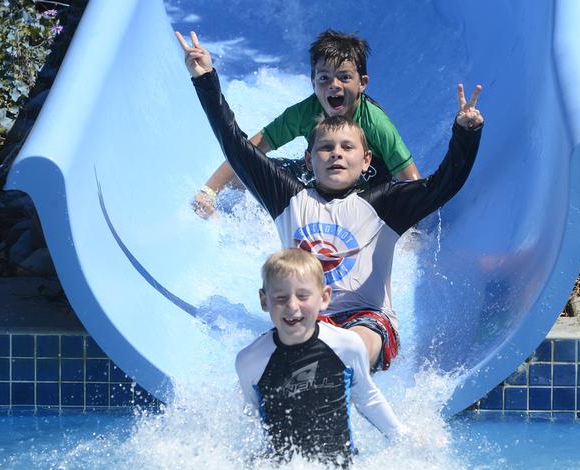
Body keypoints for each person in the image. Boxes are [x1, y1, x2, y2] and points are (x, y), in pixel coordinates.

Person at [176, 31, 484, 371]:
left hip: (367, 320)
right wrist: (205, 79)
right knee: (261, 355)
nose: (336, 154)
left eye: (347, 149)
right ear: (309, 158)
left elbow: (437, 185)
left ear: (365, 158)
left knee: (356, 341)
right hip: (311, 321)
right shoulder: (290, 197)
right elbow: (237, 145)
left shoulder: (382, 203)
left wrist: (465, 136)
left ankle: (342, 364)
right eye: (325, 149)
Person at [181, 29, 422, 217]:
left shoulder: (377, 124)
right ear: (313, 83)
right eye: (324, 78)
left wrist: (408, 227)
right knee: (245, 176)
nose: (334, 85)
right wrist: (209, 191)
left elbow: (412, 181)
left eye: (345, 77)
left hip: (366, 188)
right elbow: (246, 151)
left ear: (363, 83)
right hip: (319, 178)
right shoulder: (305, 112)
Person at [235, 248, 402, 466]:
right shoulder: (251, 360)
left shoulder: (347, 346)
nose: (292, 306)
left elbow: (367, 397)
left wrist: (403, 437)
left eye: (303, 296)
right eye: (280, 298)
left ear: (324, 298)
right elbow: (252, 413)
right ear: (264, 301)